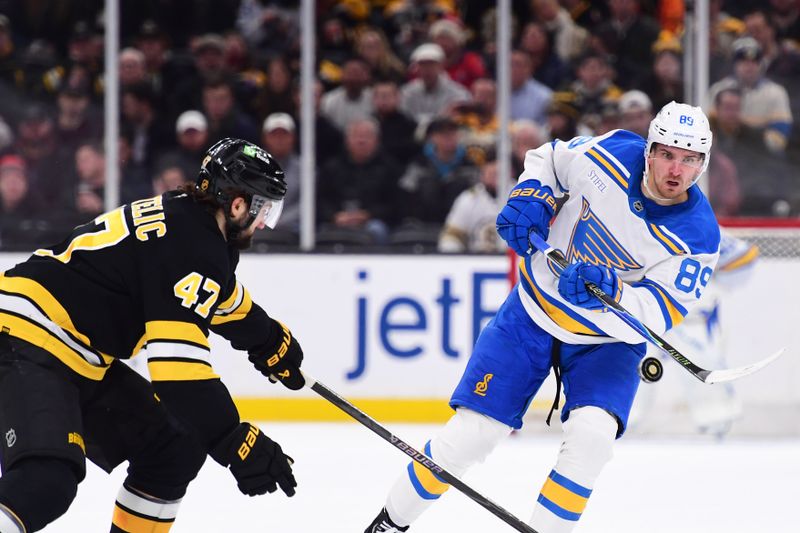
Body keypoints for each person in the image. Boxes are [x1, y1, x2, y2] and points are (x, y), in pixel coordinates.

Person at [365, 101, 721, 533]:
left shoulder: (699, 235)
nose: (675, 169)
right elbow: (549, 158)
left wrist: (615, 293)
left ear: (702, 165)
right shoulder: (610, 151)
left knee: (593, 436)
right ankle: (387, 525)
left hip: (606, 343)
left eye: (688, 159)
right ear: (648, 151)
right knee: (470, 435)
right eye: (666, 153)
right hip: (532, 312)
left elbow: (661, 310)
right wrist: (532, 191)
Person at [0, 138, 305, 533]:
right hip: (26, 337)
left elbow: (220, 298)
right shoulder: (195, 246)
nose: (264, 222)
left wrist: (266, 338)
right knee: (46, 481)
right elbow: (178, 372)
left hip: (69, 351)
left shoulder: (190, 225)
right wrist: (234, 438)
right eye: (263, 207)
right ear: (237, 202)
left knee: (175, 445)